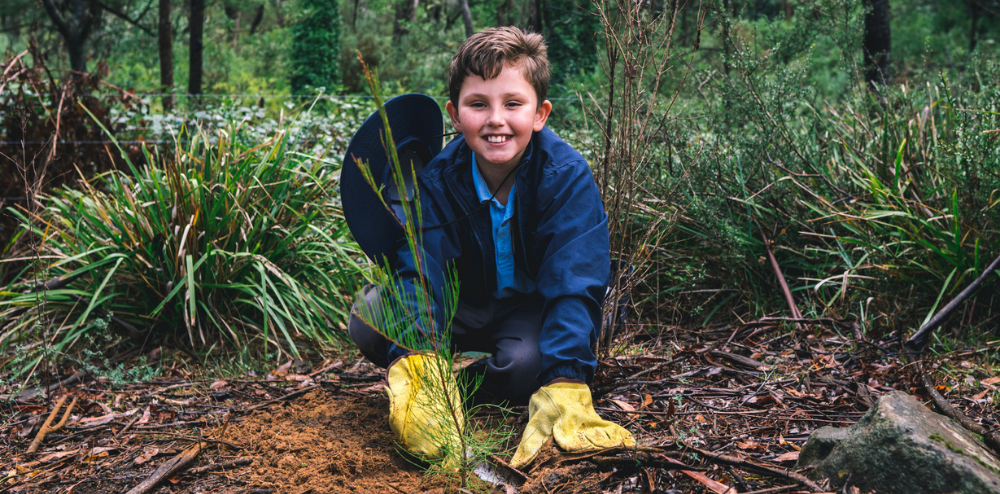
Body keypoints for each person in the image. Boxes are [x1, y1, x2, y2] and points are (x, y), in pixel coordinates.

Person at [342, 26, 635, 470]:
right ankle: (429, 384)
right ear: (455, 116)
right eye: (478, 104)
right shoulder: (438, 180)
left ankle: (465, 386)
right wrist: (418, 362)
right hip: (466, 305)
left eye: (513, 104)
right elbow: (422, 272)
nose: (496, 119)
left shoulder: (566, 177)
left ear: (540, 114)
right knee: (371, 317)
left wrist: (566, 382)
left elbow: (574, 282)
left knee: (521, 366)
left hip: (530, 308)